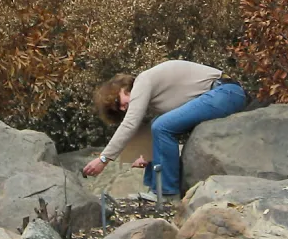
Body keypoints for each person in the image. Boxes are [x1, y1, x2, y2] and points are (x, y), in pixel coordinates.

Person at [80, 59, 247, 201]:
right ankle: (155, 190)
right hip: (218, 96)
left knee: (161, 126)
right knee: (158, 125)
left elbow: (130, 124)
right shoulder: (155, 98)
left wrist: (103, 159)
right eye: (118, 110)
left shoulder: (143, 81)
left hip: (226, 92)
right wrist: (146, 154)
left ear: (123, 87)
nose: (123, 109)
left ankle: (166, 194)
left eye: (118, 102)